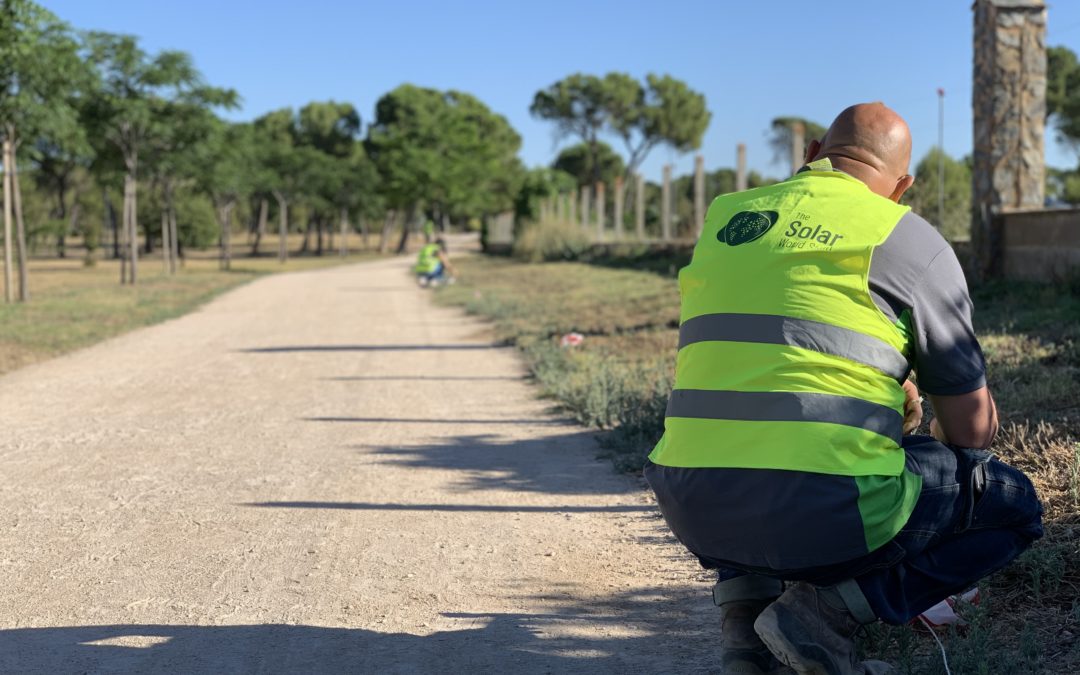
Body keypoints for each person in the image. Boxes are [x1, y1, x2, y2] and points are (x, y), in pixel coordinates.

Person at [644, 103, 1043, 674]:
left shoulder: (726, 218)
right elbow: (972, 431)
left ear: (810, 157)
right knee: (1015, 507)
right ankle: (825, 615)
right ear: (901, 187)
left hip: (690, 502)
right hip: (826, 512)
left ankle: (745, 629)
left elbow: (781, 346)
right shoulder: (910, 239)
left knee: (756, 444)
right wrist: (925, 413)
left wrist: (880, 383)